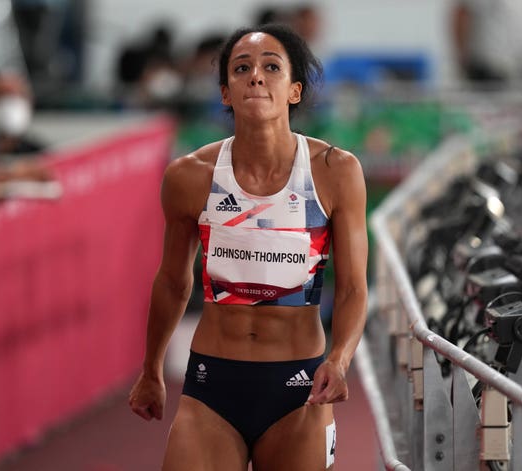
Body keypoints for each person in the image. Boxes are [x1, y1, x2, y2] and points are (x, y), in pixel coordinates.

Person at [128, 23, 368, 470]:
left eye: (271, 67)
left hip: (299, 388)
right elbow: (172, 281)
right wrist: (151, 368)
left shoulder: (336, 171)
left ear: (294, 90)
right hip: (211, 385)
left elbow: (354, 287)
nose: (256, 76)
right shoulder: (190, 175)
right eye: (242, 68)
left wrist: (339, 358)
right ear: (225, 92)